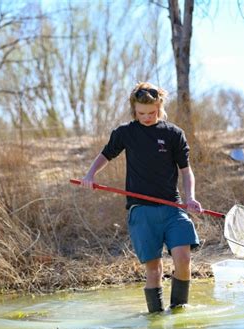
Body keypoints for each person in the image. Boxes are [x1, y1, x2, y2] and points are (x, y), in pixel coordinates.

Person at [80, 82, 202, 313]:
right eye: (141, 113)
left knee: (183, 260)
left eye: (152, 112)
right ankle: (156, 319)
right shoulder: (125, 133)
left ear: (160, 107)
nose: (146, 117)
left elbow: (186, 171)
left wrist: (191, 198)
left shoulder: (173, 134)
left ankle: (179, 311)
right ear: (134, 110)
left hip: (173, 207)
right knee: (154, 271)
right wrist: (90, 175)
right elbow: (106, 155)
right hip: (141, 211)